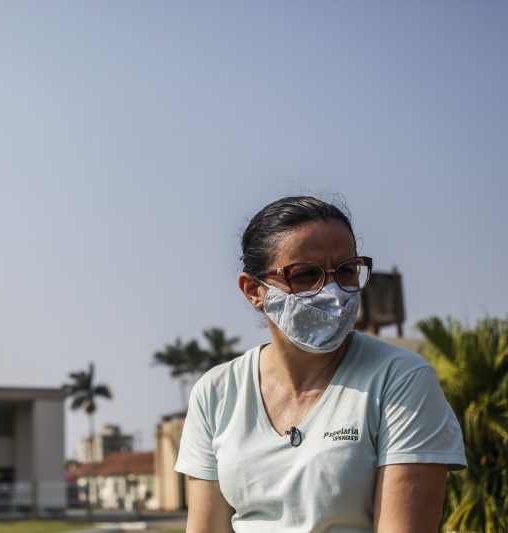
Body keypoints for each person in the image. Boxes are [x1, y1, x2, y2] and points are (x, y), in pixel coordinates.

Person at [174, 196, 466, 533]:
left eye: (346, 271)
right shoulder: (216, 392)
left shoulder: (400, 380)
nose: (332, 291)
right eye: (306, 274)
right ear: (254, 290)